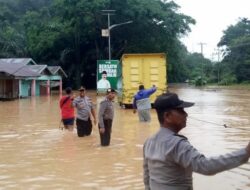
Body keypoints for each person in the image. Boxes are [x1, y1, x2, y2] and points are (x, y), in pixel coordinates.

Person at [143, 92, 250, 190]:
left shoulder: (149, 142)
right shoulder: (177, 145)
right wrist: (246, 152)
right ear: (167, 116)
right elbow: (206, 166)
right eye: (181, 111)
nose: (186, 114)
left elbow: (147, 177)